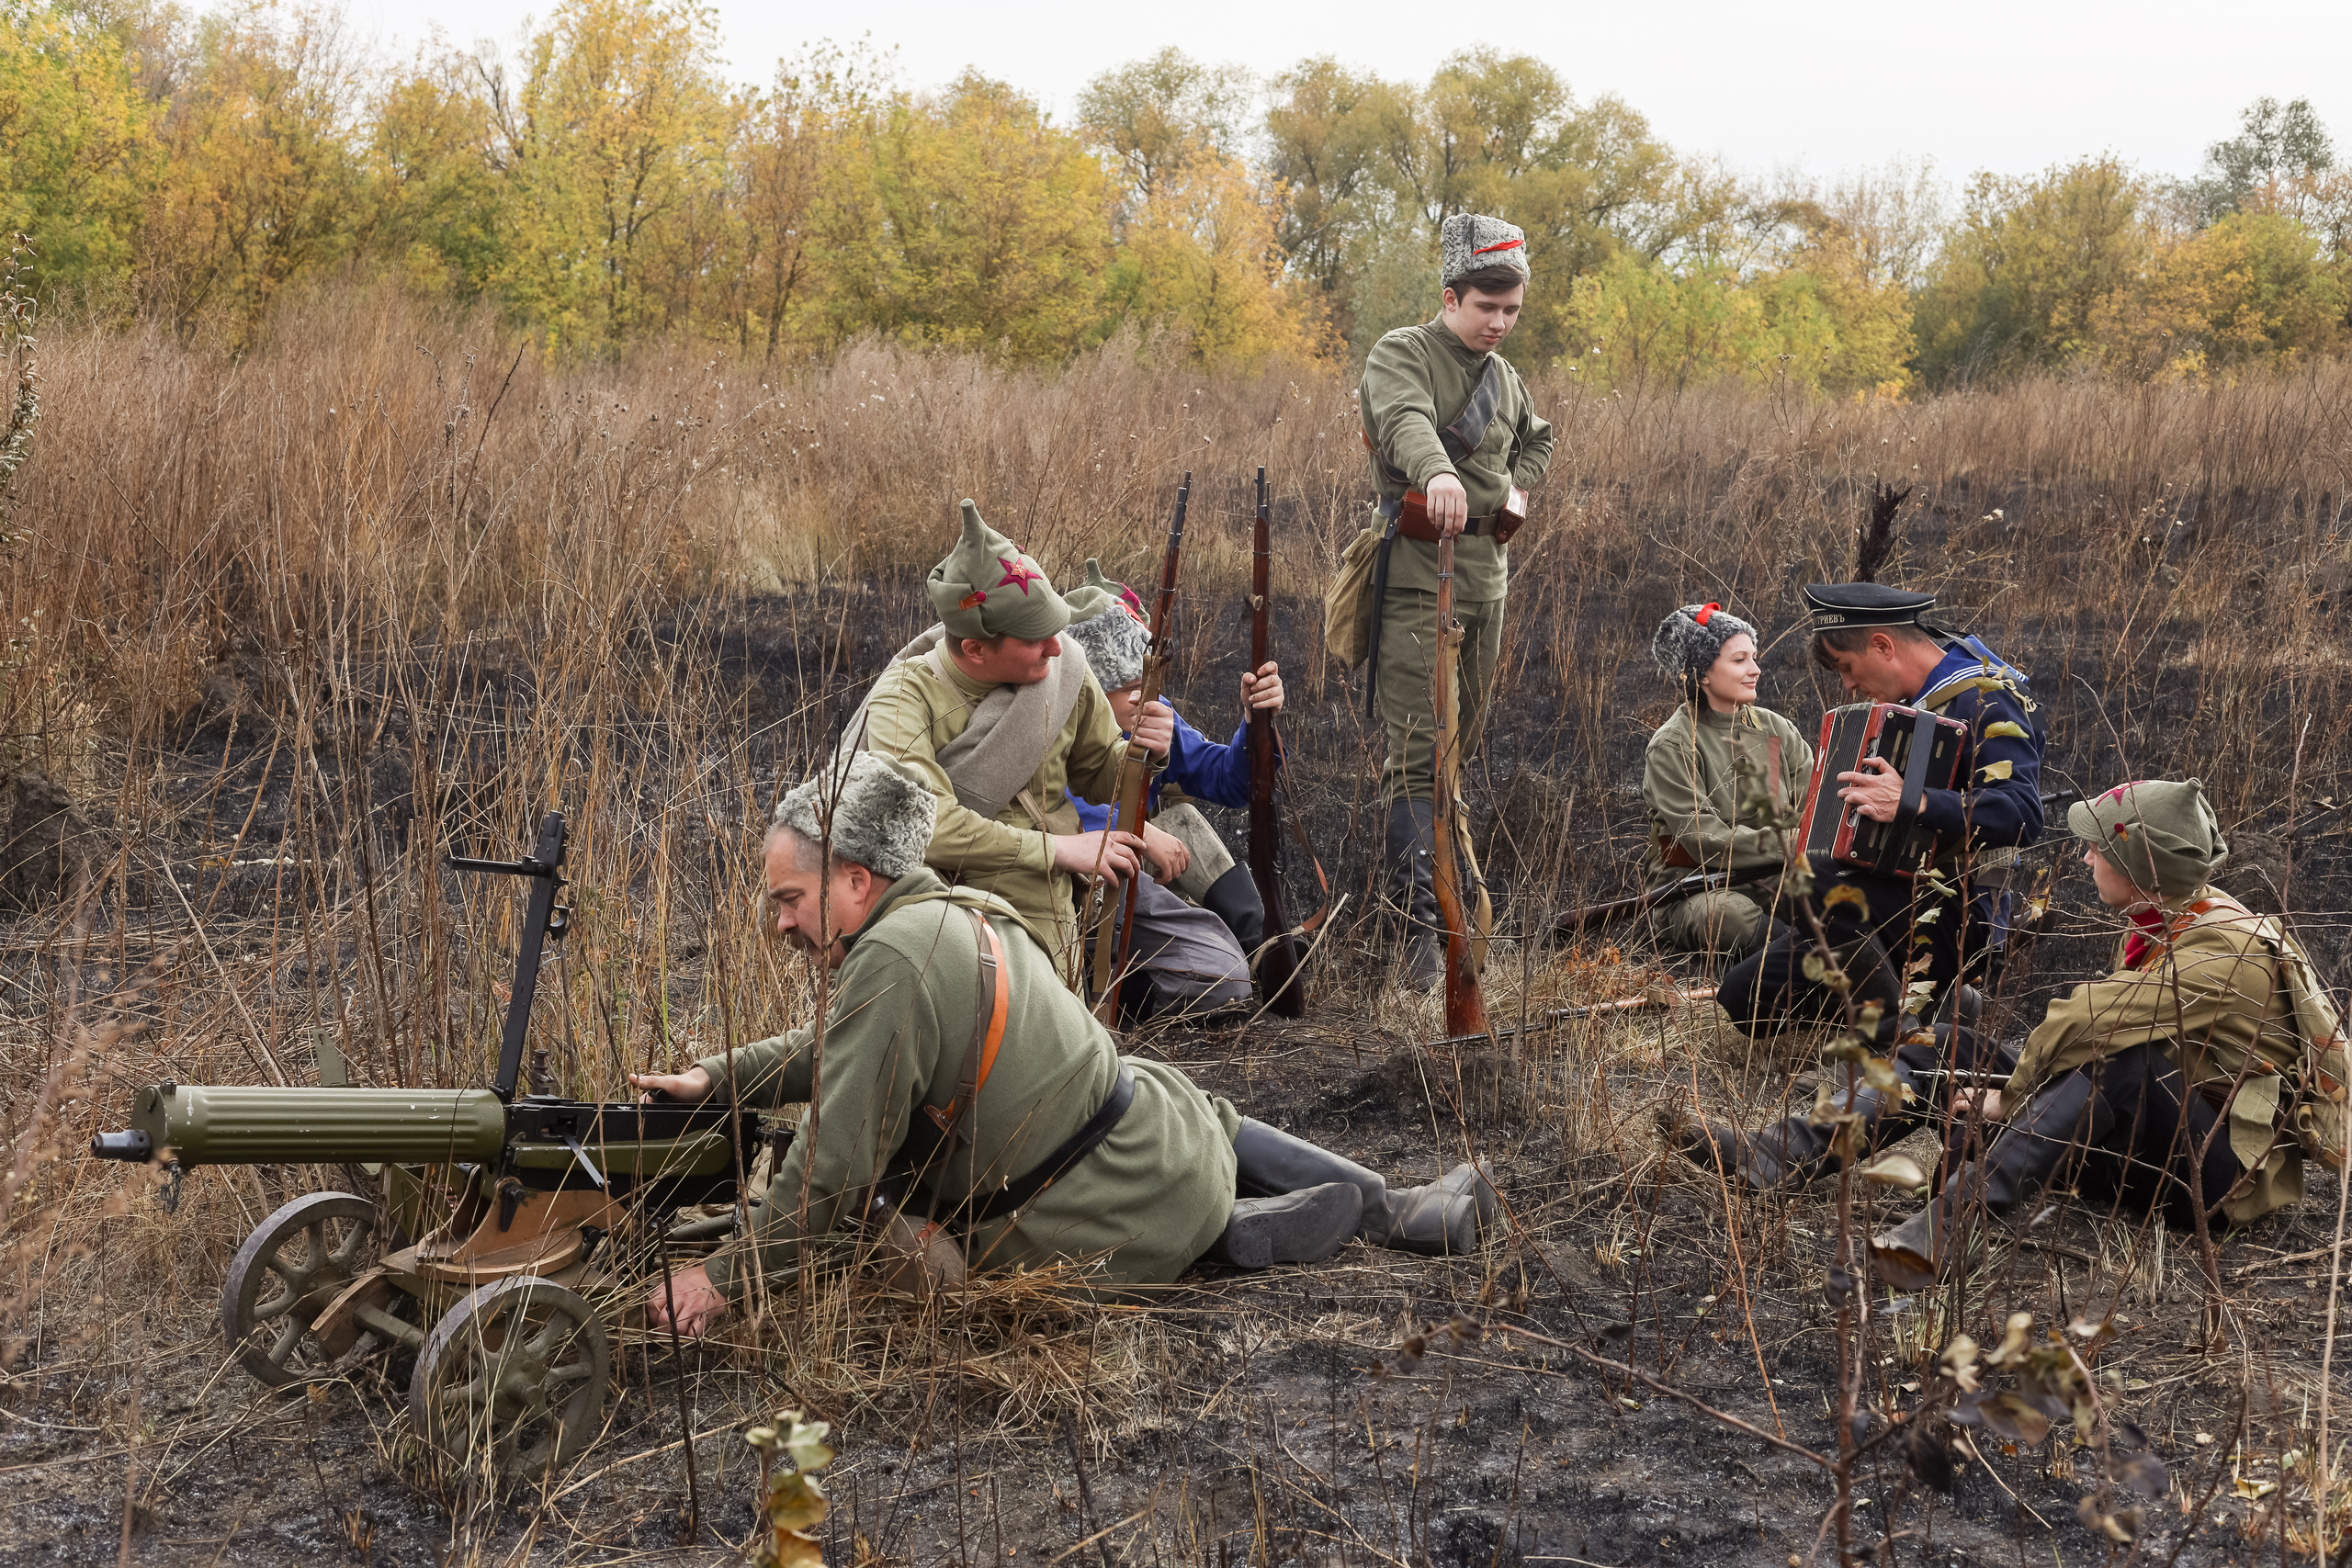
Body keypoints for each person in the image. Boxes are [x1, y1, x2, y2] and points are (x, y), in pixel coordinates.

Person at [631, 752, 1498, 1336]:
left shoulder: (892, 964)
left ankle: (1218, 1233)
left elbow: (829, 1172)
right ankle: (1395, 1207)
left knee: (888, 1232)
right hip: (1162, 1138)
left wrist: (723, 1276)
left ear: (859, 881)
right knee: (1160, 1085)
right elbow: (845, 1042)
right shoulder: (953, 914)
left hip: (1094, 1222)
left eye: (790, 896)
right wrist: (717, 1077)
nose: (778, 919)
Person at [1872, 778, 2345, 1286]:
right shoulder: (2166, 916)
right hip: (2157, 1136)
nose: (2082, 859)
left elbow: (2090, 1022)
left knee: (2121, 1065)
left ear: (2140, 863)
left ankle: (1943, 1234)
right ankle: (1791, 1157)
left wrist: (2008, 1099)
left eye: (2096, 848)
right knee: (1950, 1041)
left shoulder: (2225, 953)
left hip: (2219, 1179)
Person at [1674, 582, 2047, 1189]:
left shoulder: (1987, 694)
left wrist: (1915, 800)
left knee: (1810, 885)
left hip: (1959, 907)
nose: (1846, 686)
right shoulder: (1915, 695)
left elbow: (2022, 813)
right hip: (1888, 898)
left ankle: (1898, 1042)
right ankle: (1934, 1005)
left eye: (1848, 669)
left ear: (1883, 644)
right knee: (1744, 997)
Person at [837, 501, 1169, 983]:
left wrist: (1142, 751)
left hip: (1048, 918)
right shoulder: (903, 699)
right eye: (1036, 638)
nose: (1057, 647)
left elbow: (1100, 774)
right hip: (944, 918)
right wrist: (1060, 850)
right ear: (974, 648)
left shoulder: (1065, 668)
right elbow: (926, 827)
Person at [1359, 212, 1556, 990]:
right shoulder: (1402, 353)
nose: (1500, 324)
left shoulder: (1506, 378)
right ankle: (1422, 941)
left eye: (1511, 311)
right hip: (1415, 571)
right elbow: (1403, 420)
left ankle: (1462, 917)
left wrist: (1517, 486)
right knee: (1417, 750)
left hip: (1486, 575)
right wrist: (1437, 472)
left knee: (1457, 748)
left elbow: (1540, 439)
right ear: (1451, 295)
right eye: (1487, 308)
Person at [1060, 560, 1283, 1021]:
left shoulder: (1156, 713)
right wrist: (1142, 832)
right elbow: (1067, 820)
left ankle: (1258, 943)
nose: (1143, 698)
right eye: (1124, 687)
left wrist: (1254, 722)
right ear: (1088, 691)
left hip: (1132, 871)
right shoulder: (1057, 726)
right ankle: (1119, 983)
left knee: (1181, 819)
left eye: (1146, 683)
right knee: (1222, 979)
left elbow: (1231, 781)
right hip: (1080, 879)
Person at [1639, 602, 1814, 963]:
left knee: (1843, 892)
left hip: (1776, 877)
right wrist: (1793, 845)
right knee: (1727, 917)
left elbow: (1812, 804)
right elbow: (1704, 840)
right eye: (1739, 661)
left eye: (1754, 657)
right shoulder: (1672, 745)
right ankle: (1800, 957)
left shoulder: (1776, 729)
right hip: (1696, 889)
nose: (1755, 670)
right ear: (1701, 673)